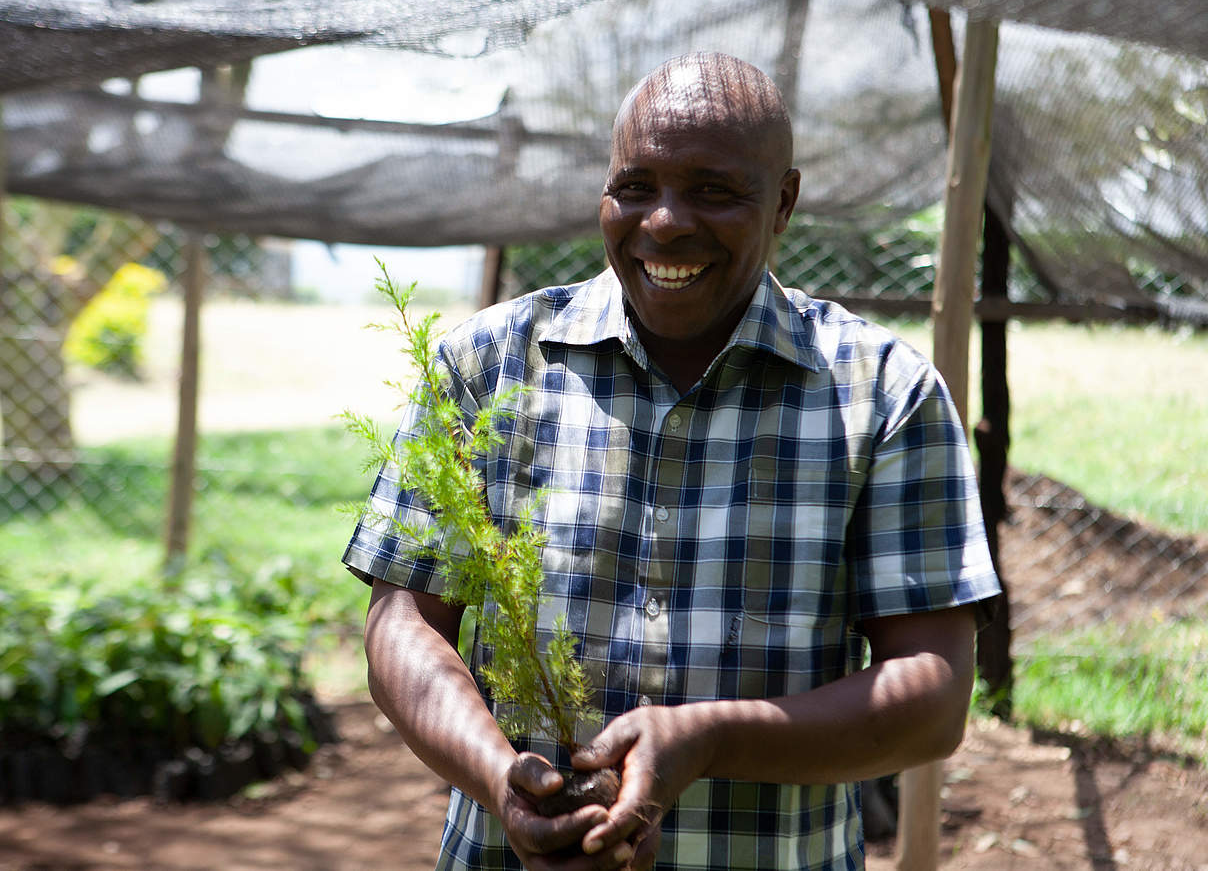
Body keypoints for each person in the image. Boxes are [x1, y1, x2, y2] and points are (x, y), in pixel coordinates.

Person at [343, 52, 1001, 871]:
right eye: (635, 186)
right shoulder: (489, 365)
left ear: (784, 203)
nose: (665, 223)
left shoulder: (882, 394)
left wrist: (706, 739)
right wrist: (501, 779)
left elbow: (932, 696)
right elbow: (402, 626)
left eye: (714, 191)